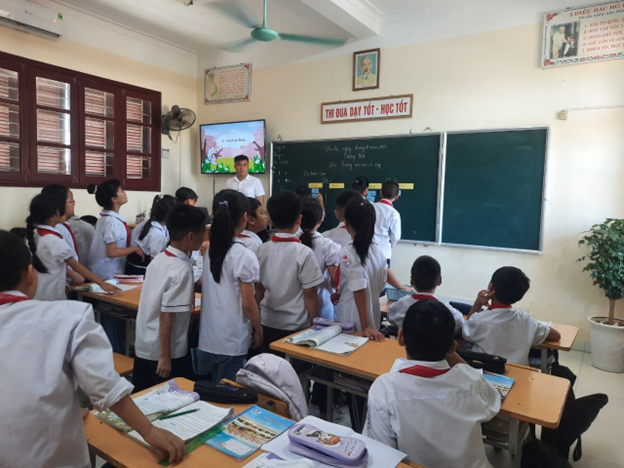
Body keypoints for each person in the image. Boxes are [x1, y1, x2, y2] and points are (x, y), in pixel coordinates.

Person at [0, 230, 185, 467]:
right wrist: (148, 430)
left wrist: (67, 408)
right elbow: (103, 386)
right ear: (29, 273)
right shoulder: (67, 318)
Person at [364, 300, 500, 467]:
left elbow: (381, 453)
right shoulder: (471, 379)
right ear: (453, 348)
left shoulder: (385, 388)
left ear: (400, 338)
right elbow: (494, 401)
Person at [133, 204, 206, 392]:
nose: (204, 237)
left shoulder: (160, 259)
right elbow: (167, 315)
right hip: (165, 352)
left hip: (145, 343)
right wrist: (165, 357)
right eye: (202, 233)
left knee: (142, 396)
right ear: (191, 237)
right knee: (166, 400)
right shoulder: (181, 269)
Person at [196, 190, 263, 382]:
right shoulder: (244, 255)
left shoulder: (211, 250)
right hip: (231, 340)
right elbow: (248, 303)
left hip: (208, 337)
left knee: (212, 389)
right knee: (227, 392)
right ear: (244, 217)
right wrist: (259, 330)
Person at [255, 191, 324, 354]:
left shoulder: (261, 250)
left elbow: (259, 288)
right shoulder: (304, 253)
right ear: (299, 219)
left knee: (268, 366)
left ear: (271, 220)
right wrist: (314, 324)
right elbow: (310, 294)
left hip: (267, 322)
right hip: (295, 326)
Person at [26, 193, 119, 301]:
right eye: (62, 210)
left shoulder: (33, 235)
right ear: (52, 216)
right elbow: (76, 266)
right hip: (53, 296)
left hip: (36, 293)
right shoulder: (54, 240)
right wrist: (102, 283)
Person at [463, 266, 561, 365]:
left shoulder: (479, 319)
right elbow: (556, 336)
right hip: (518, 373)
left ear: (491, 287)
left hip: (485, 372)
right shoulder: (526, 320)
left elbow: (465, 332)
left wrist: (477, 304)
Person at [388, 255, 464, 333]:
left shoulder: (402, 304)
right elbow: (460, 322)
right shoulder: (446, 310)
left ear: (411, 281)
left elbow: (390, 315)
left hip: (406, 341)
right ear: (440, 281)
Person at [87, 179, 145, 280]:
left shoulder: (107, 218)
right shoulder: (112, 222)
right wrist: (134, 249)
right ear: (114, 199)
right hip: (107, 273)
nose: (125, 192)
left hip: (104, 271)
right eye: (121, 190)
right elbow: (111, 252)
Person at [299, 198, 340, 321]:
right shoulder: (327, 245)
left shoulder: (293, 243)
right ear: (321, 219)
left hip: (295, 307)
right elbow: (335, 281)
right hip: (321, 304)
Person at [127, 195, 176, 274]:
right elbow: (154, 262)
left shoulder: (147, 223)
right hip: (141, 268)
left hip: (134, 262)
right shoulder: (158, 235)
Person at [373, 180, 402, 265]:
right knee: (383, 274)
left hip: (366, 251)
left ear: (381, 193)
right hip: (384, 252)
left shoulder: (370, 207)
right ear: (397, 196)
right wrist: (388, 246)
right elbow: (396, 237)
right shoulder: (394, 214)